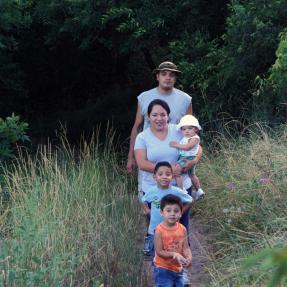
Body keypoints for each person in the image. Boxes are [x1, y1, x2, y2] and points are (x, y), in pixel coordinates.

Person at [135, 99, 201, 285]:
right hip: (154, 189)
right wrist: (168, 171)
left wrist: (193, 162)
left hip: (180, 188)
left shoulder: (178, 129)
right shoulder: (143, 136)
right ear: (148, 117)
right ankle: (160, 271)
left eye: (162, 114)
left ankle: (182, 271)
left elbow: (197, 145)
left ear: (168, 115)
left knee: (181, 231)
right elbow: (142, 163)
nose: (159, 118)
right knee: (158, 232)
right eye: (154, 115)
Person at [127, 61, 192, 175]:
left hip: (177, 160)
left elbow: (191, 131)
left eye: (172, 75)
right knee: (149, 191)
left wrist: (192, 159)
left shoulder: (185, 99)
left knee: (181, 190)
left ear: (175, 78)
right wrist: (131, 157)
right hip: (150, 160)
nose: (168, 77)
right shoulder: (144, 98)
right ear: (157, 76)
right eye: (164, 74)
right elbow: (137, 127)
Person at [141, 162, 193, 260]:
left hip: (172, 231)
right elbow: (143, 200)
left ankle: (175, 270)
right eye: (160, 174)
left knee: (172, 255)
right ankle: (157, 272)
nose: (164, 177)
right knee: (156, 257)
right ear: (154, 177)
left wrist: (180, 213)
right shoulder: (152, 191)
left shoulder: (176, 191)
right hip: (154, 231)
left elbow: (190, 201)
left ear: (172, 176)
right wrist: (147, 210)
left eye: (168, 174)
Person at [153, 194, 192, 287]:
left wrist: (189, 258)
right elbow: (159, 251)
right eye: (168, 210)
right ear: (162, 212)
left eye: (176, 211)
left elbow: (186, 248)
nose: (172, 213)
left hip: (178, 268)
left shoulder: (182, 229)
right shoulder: (159, 230)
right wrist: (174, 254)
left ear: (181, 213)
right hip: (163, 269)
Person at [170, 114, 205, 201]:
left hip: (186, 159)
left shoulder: (194, 138)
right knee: (191, 174)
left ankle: (182, 189)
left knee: (177, 170)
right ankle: (199, 190)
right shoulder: (186, 137)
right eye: (184, 129)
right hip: (187, 158)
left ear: (196, 129)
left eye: (190, 128)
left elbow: (187, 147)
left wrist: (176, 145)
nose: (187, 131)